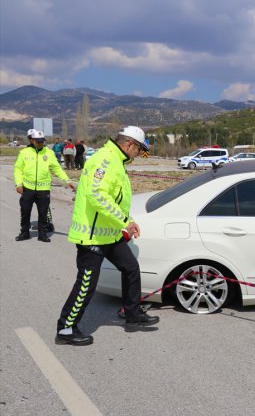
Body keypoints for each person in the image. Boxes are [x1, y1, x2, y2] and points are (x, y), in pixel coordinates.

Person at [56, 126, 159, 346]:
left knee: (130, 268)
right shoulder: (105, 160)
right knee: (86, 285)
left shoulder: (117, 161)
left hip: (109, 234)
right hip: (92, 236)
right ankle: (65, 329)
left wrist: (127, 222)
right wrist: (125, 222)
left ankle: (132, 316)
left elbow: (117, 199)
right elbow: (97, 197)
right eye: (140, 150)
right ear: (129, 144)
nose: (139, 155)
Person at [14, 130, 74, 242]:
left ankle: (42, 234)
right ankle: (24, 233)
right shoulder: (24, 152)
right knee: (25, 211)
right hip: (28, 188)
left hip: (43, 189)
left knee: (43, 213)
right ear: (32, 140)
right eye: (38, 141)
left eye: (42, 141)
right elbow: (18, 169)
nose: (40, 143)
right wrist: (18, 184)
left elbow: (57, 168)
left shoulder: (49, 153)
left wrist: (67, 180)